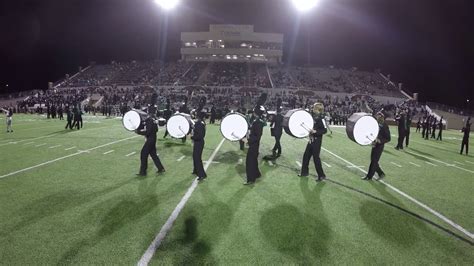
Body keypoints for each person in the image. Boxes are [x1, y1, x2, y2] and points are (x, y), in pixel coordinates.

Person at [298, 103, 328, 182]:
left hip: (317, 141)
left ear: (318, 109)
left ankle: (321, 175)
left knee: (316, 158)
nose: (313, 109)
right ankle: (304, 172)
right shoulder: (314, 116)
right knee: (306, 156)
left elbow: (324, 130)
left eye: (314, 108)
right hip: (311, 139)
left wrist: (316, 131)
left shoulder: (321, 118)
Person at [137, 107, 165, 176]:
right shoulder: (153, 119)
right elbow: (156, 130)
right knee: (153, 155)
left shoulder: (149, 120)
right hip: (153, 138)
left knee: (143, 154)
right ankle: (161, 168)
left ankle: (143, 172)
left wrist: (139, 132)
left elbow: (148, 132)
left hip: (150, 140)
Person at [363, 111, 391, 180]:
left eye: (378, 116)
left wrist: (380, 141)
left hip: (380, 146)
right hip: (375, 144)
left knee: (374, 161)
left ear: (381, 117)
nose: (376, 117)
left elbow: (388, 138)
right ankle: (381, 174)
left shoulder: (385, 125)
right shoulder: (376, 124)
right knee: (373, 160)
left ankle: (369, 176)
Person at [244, 105, 266, 185]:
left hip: (254, 145)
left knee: (249, 162)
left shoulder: (258, 122)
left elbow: (257, 136)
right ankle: (257, 174)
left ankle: (251, 179)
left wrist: (248, 140)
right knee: (253, 160)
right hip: (254, 144)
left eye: (254, 112)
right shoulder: (257, 121)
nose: (253, 113)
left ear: (256, 113)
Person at [191, 108, 207, 181]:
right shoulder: (201, 122)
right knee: (195, 156)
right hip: (199, 142)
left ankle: (202, 174)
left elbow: (200, 136)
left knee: (197, 158)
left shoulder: (199, 123)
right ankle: (195, 170)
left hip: (199, 142)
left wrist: (191, 137)